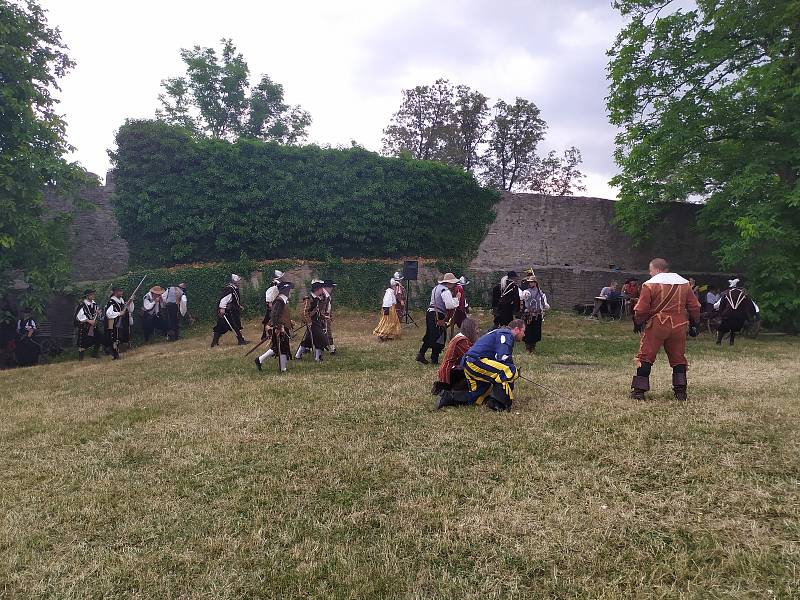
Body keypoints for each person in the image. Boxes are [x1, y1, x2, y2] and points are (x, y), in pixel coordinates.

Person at [631, 258, 701, 401]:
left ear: (657, 269)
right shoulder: (684, 284)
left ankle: (639, 391)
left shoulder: (650, 285)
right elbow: (695, 307)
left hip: (658, 324)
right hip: (679, 325)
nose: (650, 274)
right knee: (678, 358)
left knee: (646, 356)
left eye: (650, 271)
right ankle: (680, 392)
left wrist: (638, 322)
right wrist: (695, 323)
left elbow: (641, 309)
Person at [461, 319, 525, 412]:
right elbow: (503, 359)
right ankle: (498, 403)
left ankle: (448, 397)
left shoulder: (498, 332)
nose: (524, 335)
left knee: (476, 398)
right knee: (508, 371)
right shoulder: (505, 335)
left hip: (469, 363)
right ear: (517, 329)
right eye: (523, 331)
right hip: (475, 362)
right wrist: (514, 372)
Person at [432, 317, 480, 409]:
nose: (478, 332)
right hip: (449, 373)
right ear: (470, 329)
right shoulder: (461, 341)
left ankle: (445, 388)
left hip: (452, 370)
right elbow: (472, 357)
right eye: (476, 329)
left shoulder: (461, 338)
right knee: (475, 376)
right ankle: (447, 391)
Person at [416, 273, 460, 365]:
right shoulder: (445, 290)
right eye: (453, 283)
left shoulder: (436, 288)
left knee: (430, 335)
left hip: (430, 313)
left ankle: (421, 354)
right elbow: (449, 305)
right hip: (438, 315)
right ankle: (434, 359)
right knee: (438, 337)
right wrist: (457, 299)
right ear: (449, 283)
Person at [255, 281, 294, 372]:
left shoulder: (283, 300)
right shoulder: (279, 300)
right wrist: (278, 327)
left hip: (283, 327)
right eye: (288, 290)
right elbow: (274, 315)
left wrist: (288, 322)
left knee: (280, 347)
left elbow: (283, 314)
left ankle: (260, 360)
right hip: (279, 328)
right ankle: (282, 368)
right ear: (284, 290)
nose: (289, 291)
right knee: (280, 347)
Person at [713, 277, 757, 346]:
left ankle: (719, 341)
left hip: (727, 315)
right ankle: (731, 342)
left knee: (722, 328)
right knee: (734, 327)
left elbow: (720, 305)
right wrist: (752, 316)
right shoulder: (744, 295)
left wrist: (720, 314)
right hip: (739, 317)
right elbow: (751, 306)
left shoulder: (726, 294)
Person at [211, 274, 249, 347]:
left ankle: (214, 343)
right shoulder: (229, 289)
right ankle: (241, 341)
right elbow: (224, 300)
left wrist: (238, 306)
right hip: (228, 312)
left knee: (221, 327)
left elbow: (233, 300)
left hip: (231, 311)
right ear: (234, 281)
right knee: (235, 326)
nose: (239, 282)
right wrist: (222, 308)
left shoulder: (234, 288)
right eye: (238, 281)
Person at [296, 281, 328, 362]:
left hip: (316, 321)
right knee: (320, 337)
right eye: (321, 288)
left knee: (309, 339)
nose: (322, 290)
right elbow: (304, 312)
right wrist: (308, 322)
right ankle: (317, 357)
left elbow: (317, 311)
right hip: (312, 322)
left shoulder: (317, 298)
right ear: (317, 289)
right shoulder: (309, 299)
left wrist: (323, 316)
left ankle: (298, 355)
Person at [520, 275, 550, 352]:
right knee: (528, 332)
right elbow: (523, 296)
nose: (530, 284)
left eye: (531, 282)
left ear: (535, 283)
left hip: (537, 315)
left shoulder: (541, 293)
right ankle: (527, 348)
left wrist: (545, 306)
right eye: (529, 282)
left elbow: (544, 304)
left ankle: (533, 348)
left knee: (536, 332)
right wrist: (523, 286)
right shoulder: (526, 292)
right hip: (529, 315)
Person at [104, 285, 131, 360]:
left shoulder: (121, 300)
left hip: (121, 322)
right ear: (116, 292)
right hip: (114, 323)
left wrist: (129, 303)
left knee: (122, 337)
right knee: (115, 338)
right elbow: (108, 314)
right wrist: (119, 313)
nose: (122, 292)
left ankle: (121, 352)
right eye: (120, 291)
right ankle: (115, 355)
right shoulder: (111, 302)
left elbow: (128, 309)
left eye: (121, 291)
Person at [373, 276, 403, 341]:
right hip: (389, 309)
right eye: (395, 286)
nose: (396, 288)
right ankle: (383, 334)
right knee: (390, 322)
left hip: (390, 308)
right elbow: (387, 302)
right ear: (393, 286)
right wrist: (387, 309)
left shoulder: (390, 291)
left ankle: (390, 335)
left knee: (393, 321)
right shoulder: (390, 292)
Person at [75, 289, 102, 360]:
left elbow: (97, 315)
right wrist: (89, 321)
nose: (93, 295)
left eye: (93, 294)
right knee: (83, 342)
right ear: (87, 296)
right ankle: (81, 358)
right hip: (85, 327)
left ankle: (94, 354)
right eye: (91, 294)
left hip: (94, 326)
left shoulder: (94, 304)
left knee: (99, 338)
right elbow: (79, 316)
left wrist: (99, 313)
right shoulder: (82, 305)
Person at [262, 270, 284, 340]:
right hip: (274, 304)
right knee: (270, 319)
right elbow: (269, 295)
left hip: (277, 303)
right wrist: (270, 304)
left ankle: (267, 335)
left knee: (275, 319)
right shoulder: (274, 284)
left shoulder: (279, 284)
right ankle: (265, 335)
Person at [322, 280, 337, 355]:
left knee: (319, 332)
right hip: (323, 317)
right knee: (328, 332)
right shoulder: (324, 295)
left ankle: (306, 348)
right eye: (331, 287)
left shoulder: (326, 295)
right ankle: (332, 348)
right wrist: (325, 316)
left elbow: (328, 307)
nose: (332, 289)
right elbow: (322, 307)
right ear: (326, 287)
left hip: (325, 316)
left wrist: (330, 315)